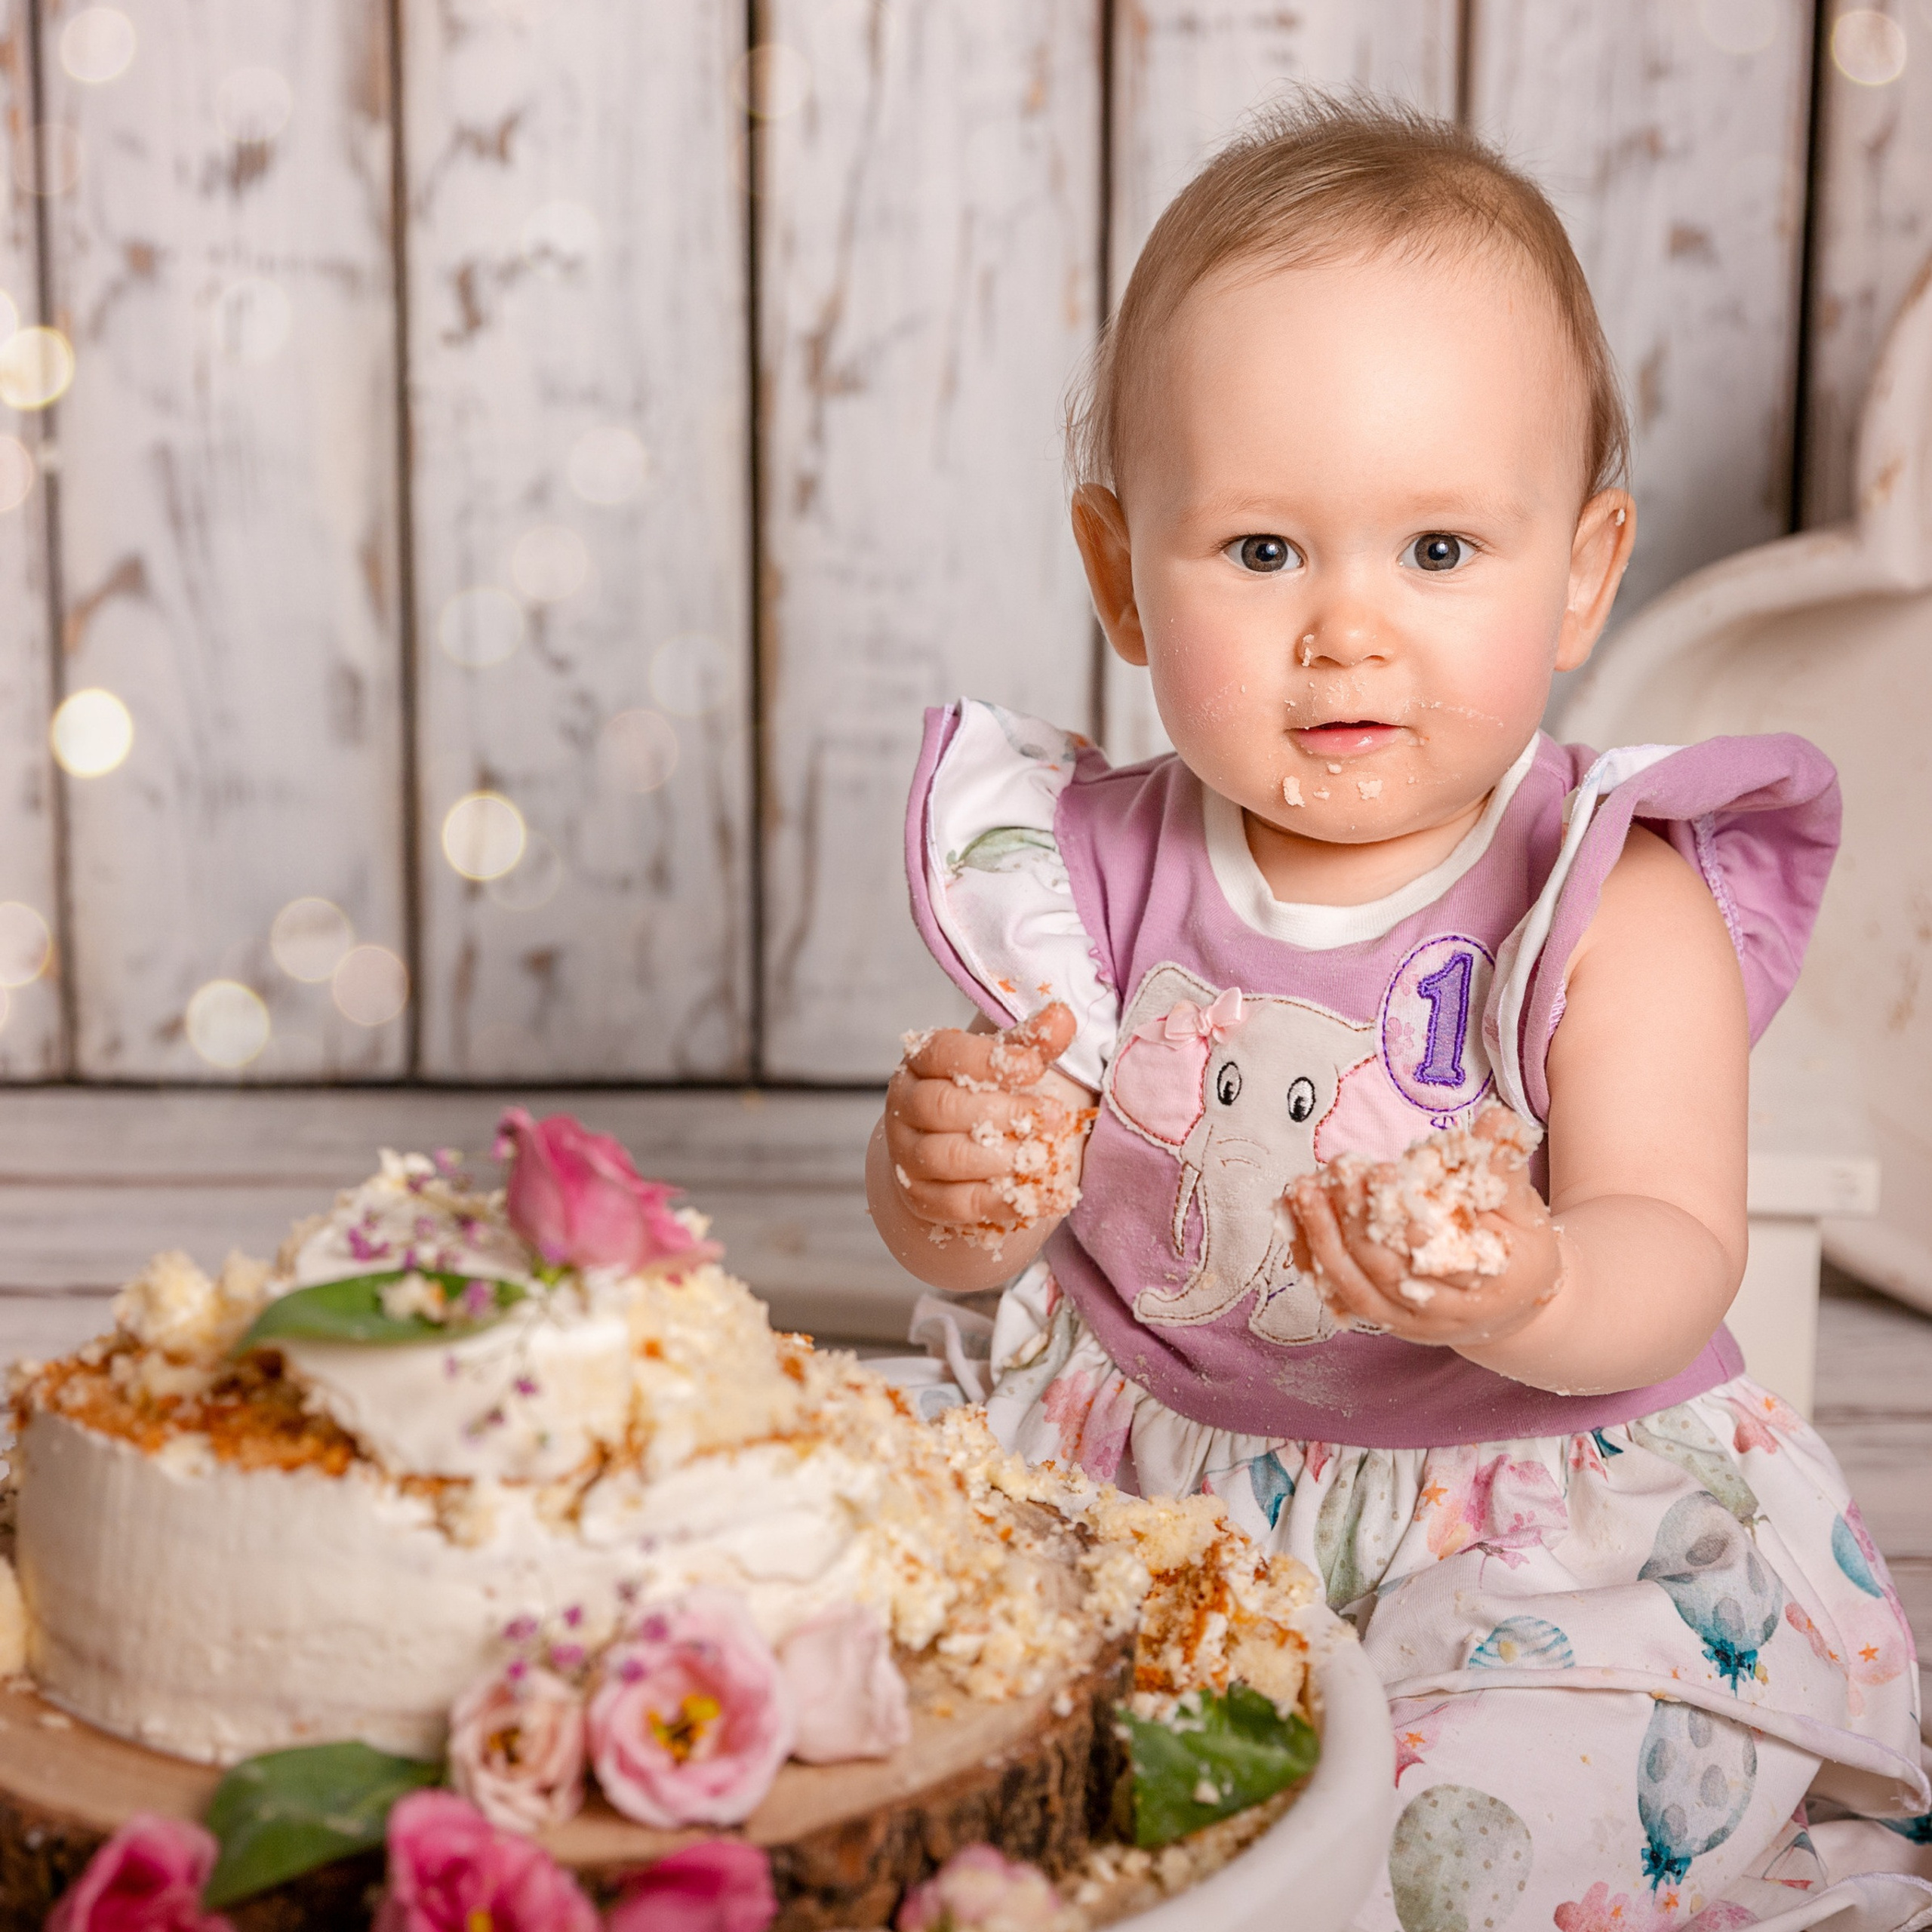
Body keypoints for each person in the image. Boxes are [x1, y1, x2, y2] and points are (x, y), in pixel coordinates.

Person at [866, 94, 1931, 1932]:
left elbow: (1671, 1245)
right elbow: (984, 1253)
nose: (1348, 628)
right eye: (1264, 552)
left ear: (1580, 568)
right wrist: (945, 1186)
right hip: (1146, 1496)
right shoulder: (1083, 870)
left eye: (1436, 551)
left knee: (1455, 1850)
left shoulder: (1611, 894)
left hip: (1525, 1531)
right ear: (1121, 572)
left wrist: (1531, 1285)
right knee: (952, 1764)